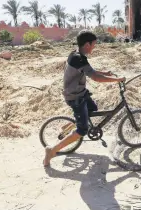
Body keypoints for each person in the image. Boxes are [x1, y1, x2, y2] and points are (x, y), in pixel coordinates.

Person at [43, 30, 125, 167]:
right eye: (94, 44)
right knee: (83, 130)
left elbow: (89, 71)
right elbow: (96, 78)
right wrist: (117, 79)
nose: (94, 47)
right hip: (75, 96)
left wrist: (105, 73)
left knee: (92, 108)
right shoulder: (78, 58)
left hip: (79, 92)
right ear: (87, 44)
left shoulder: (77, 54)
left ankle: (70, 125)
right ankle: (52, 151)